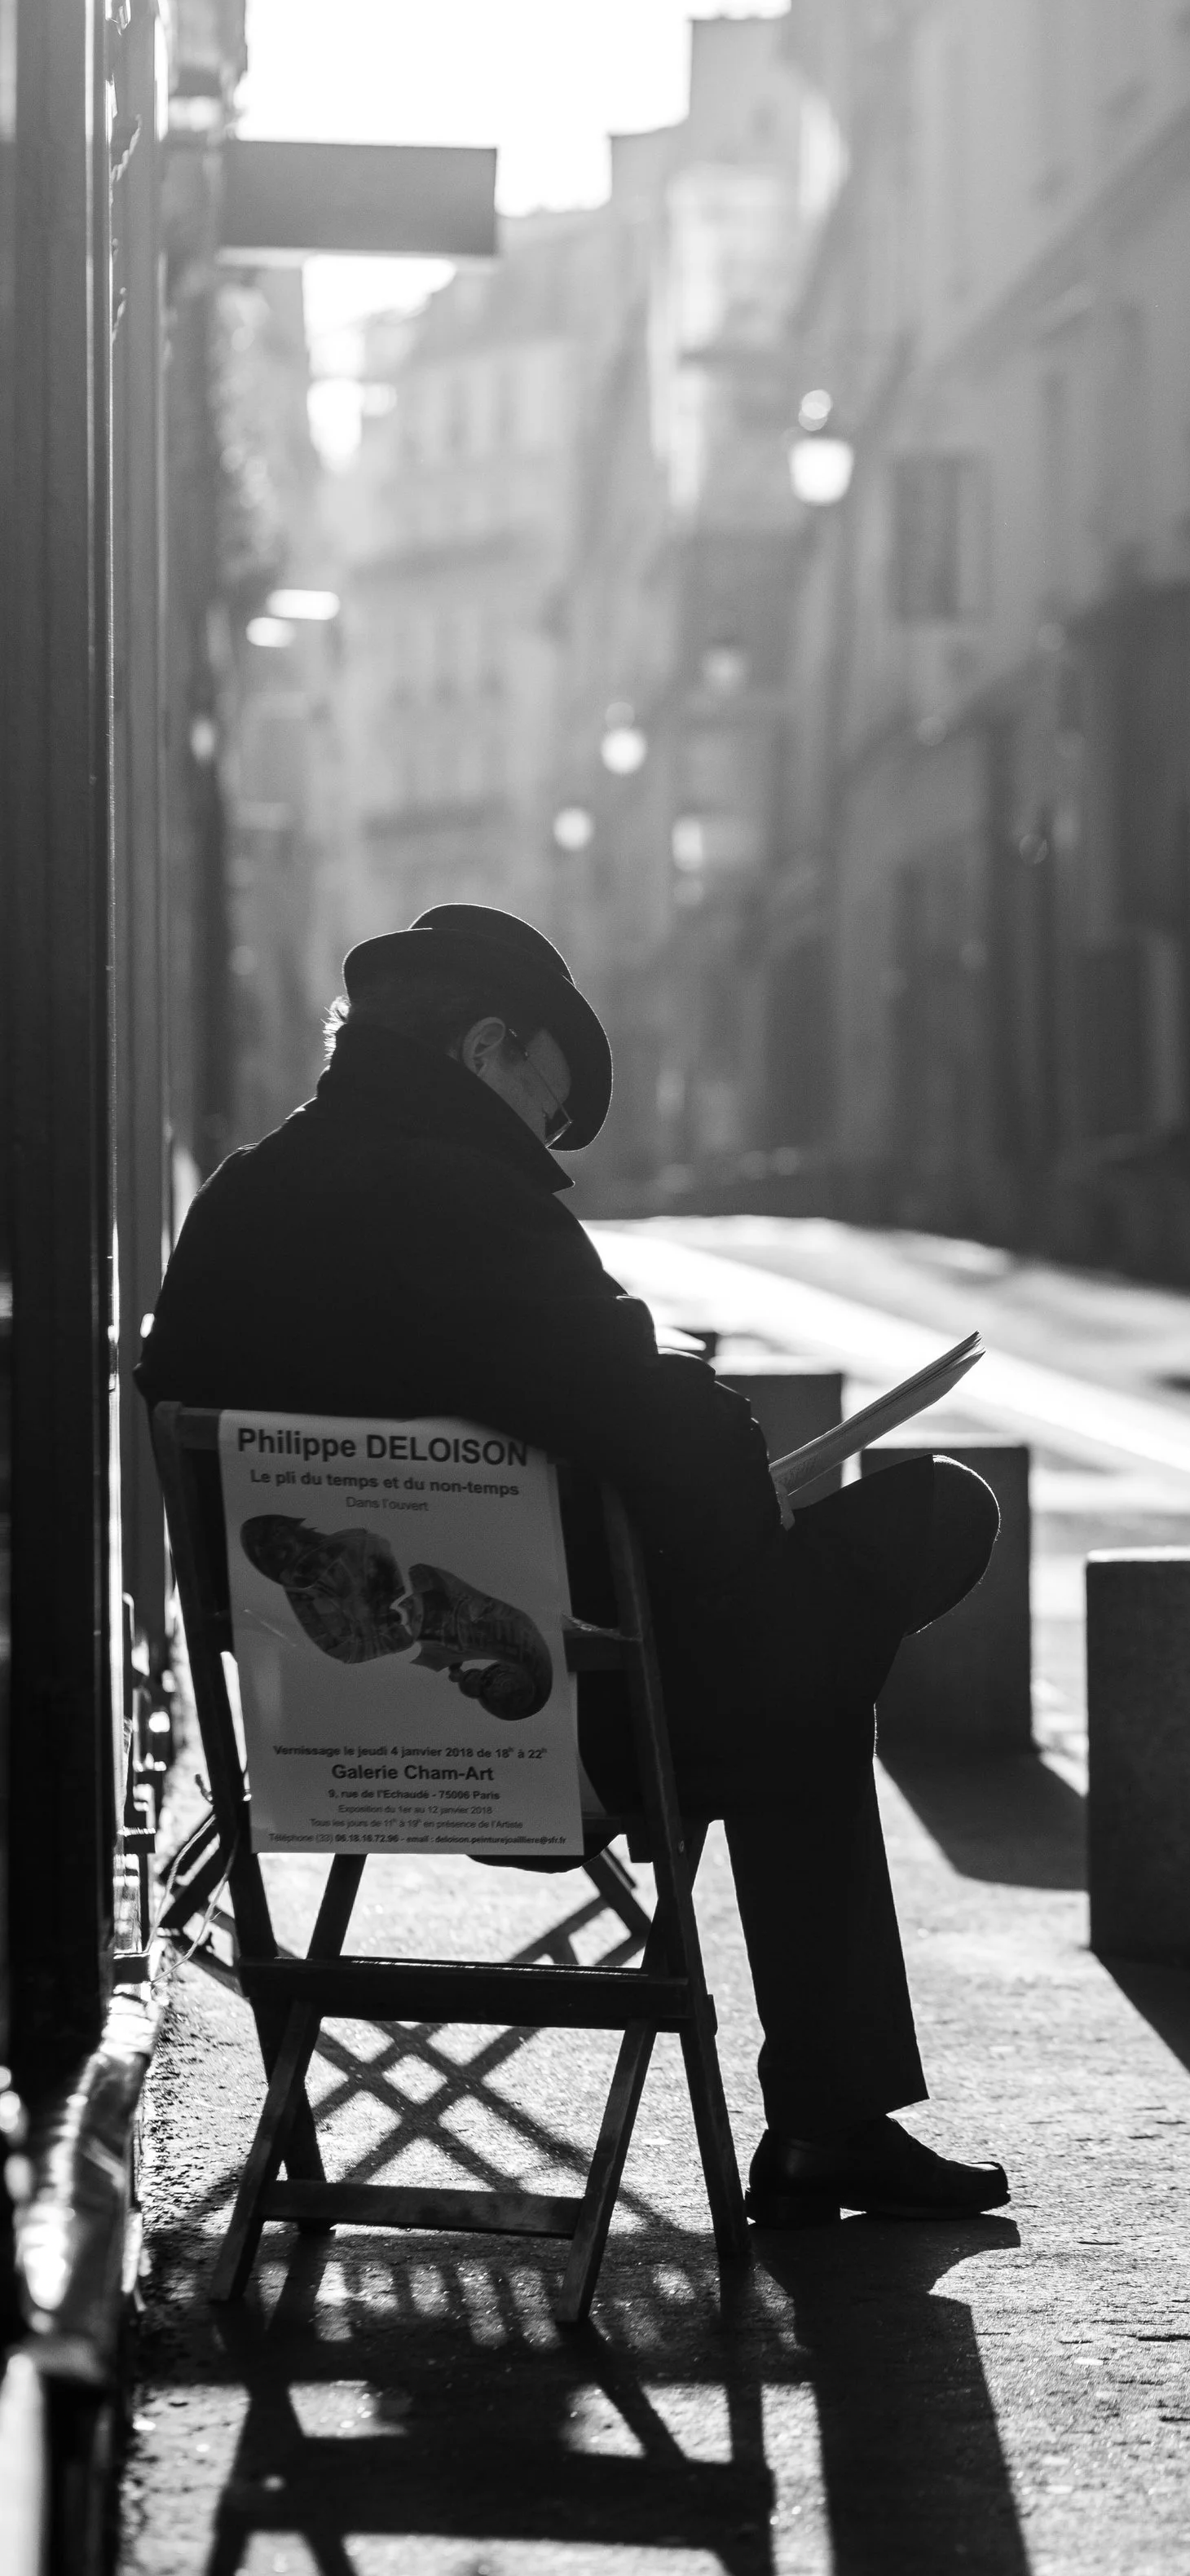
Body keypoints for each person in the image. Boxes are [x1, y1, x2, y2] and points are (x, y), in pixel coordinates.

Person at [138, 900, 1008, 2229]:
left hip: (319, 1733)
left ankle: (834, 2121)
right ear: (488, 1045)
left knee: (802, 1659)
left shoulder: (238, 1204)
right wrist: (726, 1470)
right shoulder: (473, 1204)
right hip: (548, 1724)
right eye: (546, 1107)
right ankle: (832, 2118)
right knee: (923, 1527)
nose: (546, 1143)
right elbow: (673, 1437)